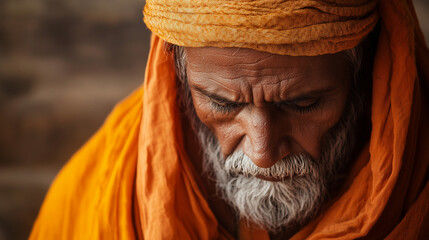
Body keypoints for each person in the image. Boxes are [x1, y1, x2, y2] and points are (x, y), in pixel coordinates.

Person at [30, 0, 429, 239]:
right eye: (221, 103)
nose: (262, 153)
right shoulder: (102, 192)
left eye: (304, 104)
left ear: (367, 74)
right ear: (178, 80)